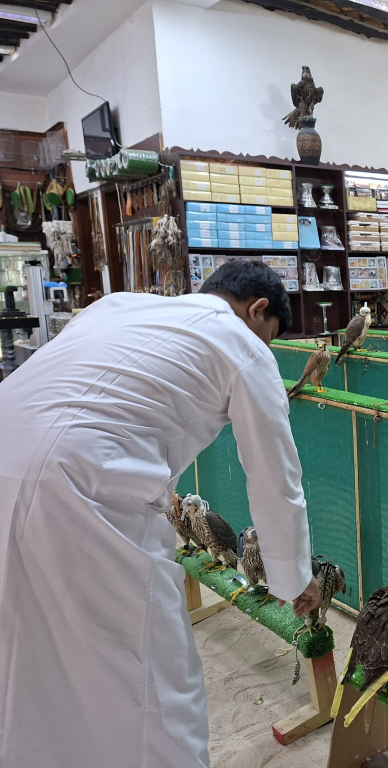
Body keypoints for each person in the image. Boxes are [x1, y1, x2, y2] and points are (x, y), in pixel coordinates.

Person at [0, 260, 320, 767]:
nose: (268, 346)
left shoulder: (117, 305)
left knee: (23, 665)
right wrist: (293, 577)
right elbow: (275, 479)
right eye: (272, 335)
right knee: (151, 689)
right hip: (86, 496)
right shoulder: (242, 345)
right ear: (257, 310)